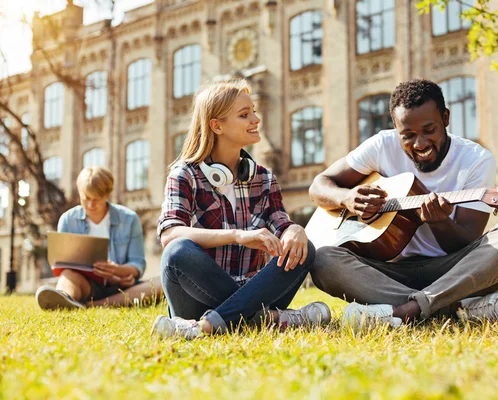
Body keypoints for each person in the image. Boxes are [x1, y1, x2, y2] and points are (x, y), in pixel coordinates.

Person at [308, 79, 498, 329]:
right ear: (395, 129)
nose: (420, 144)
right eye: (408, 136)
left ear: (446, 118)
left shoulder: (476, 160)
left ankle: (407, 311)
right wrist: (347, 198)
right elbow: (319, 185)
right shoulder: (381, 146)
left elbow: (466, 241)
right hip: (386, 273)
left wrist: (439, 223)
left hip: (452, 270)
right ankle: (452, 307)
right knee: (321, 258)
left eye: (429, 130)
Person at [151, 79, 330, 340]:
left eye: (254, 111)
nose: (255, 119)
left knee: (305, 250)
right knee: (177, 252)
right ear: (217, 125)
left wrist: (295, 230)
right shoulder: (184, 175)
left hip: (252, 291)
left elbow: (282, 224)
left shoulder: (264, 178)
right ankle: (270, 319)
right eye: (244, 115)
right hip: (196, 299)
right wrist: (238, 235)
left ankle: (205, 327)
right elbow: (169, 234)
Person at [35, 167, 162, 310]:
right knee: (67, 275)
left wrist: (119, 271)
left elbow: (138, 263)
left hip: (121, 286)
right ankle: (64, 297)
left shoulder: (129, 219)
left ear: (107, 195)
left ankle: (92, 305)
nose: (90, 205)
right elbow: (61, 263)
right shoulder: (68, 220)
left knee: (162, 283)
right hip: (85, 284)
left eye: (96, 199)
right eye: (86, 198)